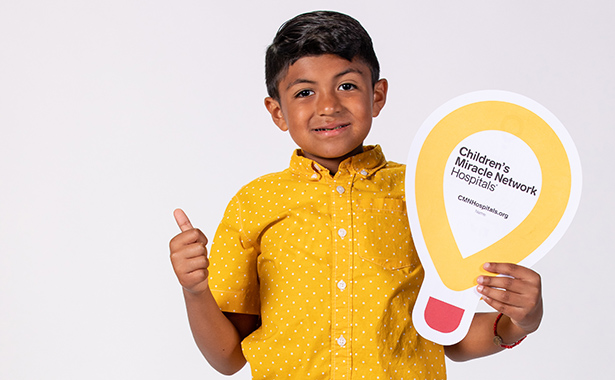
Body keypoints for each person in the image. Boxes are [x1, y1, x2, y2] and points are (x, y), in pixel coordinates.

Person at [169, 10, 543, 379]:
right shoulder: (254, 204)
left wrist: (519, 321)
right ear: (277, 112)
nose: (328, 106)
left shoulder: (423, 195)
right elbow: (228, 358)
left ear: (377, 95)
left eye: (347, 85)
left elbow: (447, 335)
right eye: (304, 92)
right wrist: (195, 291)